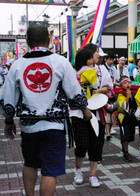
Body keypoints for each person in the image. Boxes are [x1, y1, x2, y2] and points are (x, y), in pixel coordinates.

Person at [0, 24, 91, 196]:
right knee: (49, 171)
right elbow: (75, 93)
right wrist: (85, 111)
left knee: (30, 163)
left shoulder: (17, 65)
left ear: (27, 41)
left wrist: (9, 121)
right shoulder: (60, 62)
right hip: (54, 127)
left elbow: (8, 100)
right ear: (49, 40)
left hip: (29, 127)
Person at [70, 47, 106, 188]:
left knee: (96, 145)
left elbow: (108, 88)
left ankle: (93, 175)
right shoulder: (73, 74)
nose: (96, 57)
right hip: (78, 113)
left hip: (97, 111)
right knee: (82, 143)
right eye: (94, 55)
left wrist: (99, 90)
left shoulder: (102, 70)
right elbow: (71, 93)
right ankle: (78, 170)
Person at [117, 76, 138, 161]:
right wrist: (128, 97)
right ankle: (126, 152)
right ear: (121, 85)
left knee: (130, 136)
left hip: (131, 117)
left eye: (129, 83)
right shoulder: (120, 94)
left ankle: (124, 148)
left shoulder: (133, 93)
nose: (128, 85)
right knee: (125, 135)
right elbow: (123, 107)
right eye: (125, 83)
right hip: (123, 117)